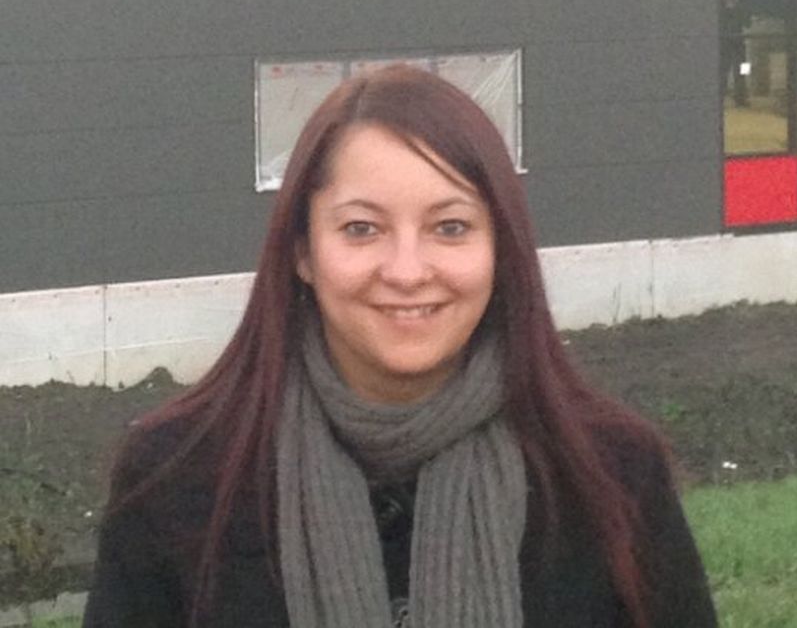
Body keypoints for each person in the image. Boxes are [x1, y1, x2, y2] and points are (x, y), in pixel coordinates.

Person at [83, 64, 717, 627]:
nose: (408, 271)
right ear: (303, 251)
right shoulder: (177, 478)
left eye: (451, 227)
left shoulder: (610, 475)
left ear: (501, 249)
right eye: (362, 228)